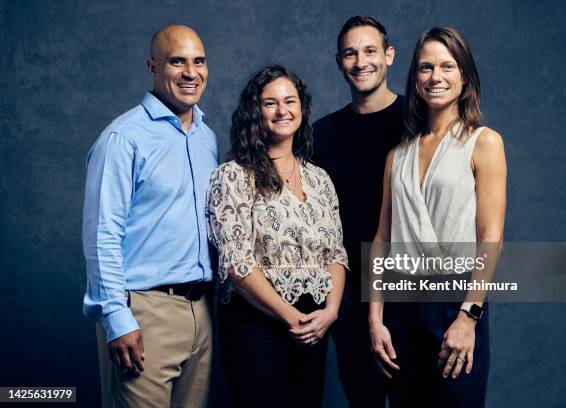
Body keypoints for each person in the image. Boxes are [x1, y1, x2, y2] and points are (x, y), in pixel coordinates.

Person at [368, 27, 506, 407]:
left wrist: (469, 316)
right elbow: (382, 238)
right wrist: (375, 318)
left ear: (465, 76)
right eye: (425, 67)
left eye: (447, 66)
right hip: (400, 304)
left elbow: (490, 234)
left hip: (455, 301)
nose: (436, 76)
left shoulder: (485, 142)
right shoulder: (397, 155)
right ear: (415, 78)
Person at [82, 25, 218, 407]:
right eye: (178, 61)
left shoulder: (207, 137)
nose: (191, 73)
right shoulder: (123, 139)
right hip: (144, 312)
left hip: (201, 313)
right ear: (153, 67)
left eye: (199, 61)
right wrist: (117, 318)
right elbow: (101, 235)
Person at [207, 65, 347, 408]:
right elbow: (237, 264)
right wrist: (291, 318)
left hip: (315, 325)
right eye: (270, 103)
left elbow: (336, 254)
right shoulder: (234, 176)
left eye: (290, 101)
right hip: (256, 325)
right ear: (255, 112)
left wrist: (330, 310)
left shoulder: (318, 178)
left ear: (302, 108)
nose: (282, 110)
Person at [313, 16, 404, 407]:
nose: (360, 61)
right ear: (339, 61)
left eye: (370, 51)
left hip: (408, 291)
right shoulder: (321, 133)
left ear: (389, 56)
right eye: (350, 53)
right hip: (348, 294)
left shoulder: (418, 121)